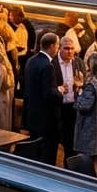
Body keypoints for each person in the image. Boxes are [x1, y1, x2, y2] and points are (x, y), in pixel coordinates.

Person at [22, 32, 63, 165]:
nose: (58, 48)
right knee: (48, 155)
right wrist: (60, 91)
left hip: (32, 116)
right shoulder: (48, 66)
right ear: (52, 46)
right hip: (46, 120)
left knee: (36, 152)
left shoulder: (31, 61)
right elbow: (48, 94)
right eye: (57, 45)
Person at [55, 34, 88, 161]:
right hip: (59, 106)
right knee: (57, 139)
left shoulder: (78, 63)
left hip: (73, 106)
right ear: (59, 48)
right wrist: (59, 89)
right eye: (66, 48)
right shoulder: (53, 62)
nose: (70, 51)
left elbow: (84, 83)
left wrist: (80, 87)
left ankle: (69, 164)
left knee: (71, 141)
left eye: (72, 48)